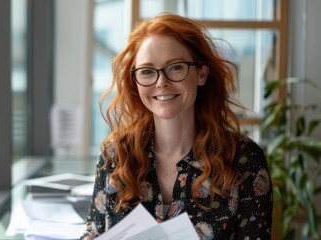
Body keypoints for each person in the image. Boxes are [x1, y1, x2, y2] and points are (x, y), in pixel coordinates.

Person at [81, 13, 273, 240]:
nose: (161, 82)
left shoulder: (244, 160)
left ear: (201, 74)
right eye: (147, 71)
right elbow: (92, 234)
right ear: (135, 81)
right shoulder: (115, 153)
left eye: (175, 67)